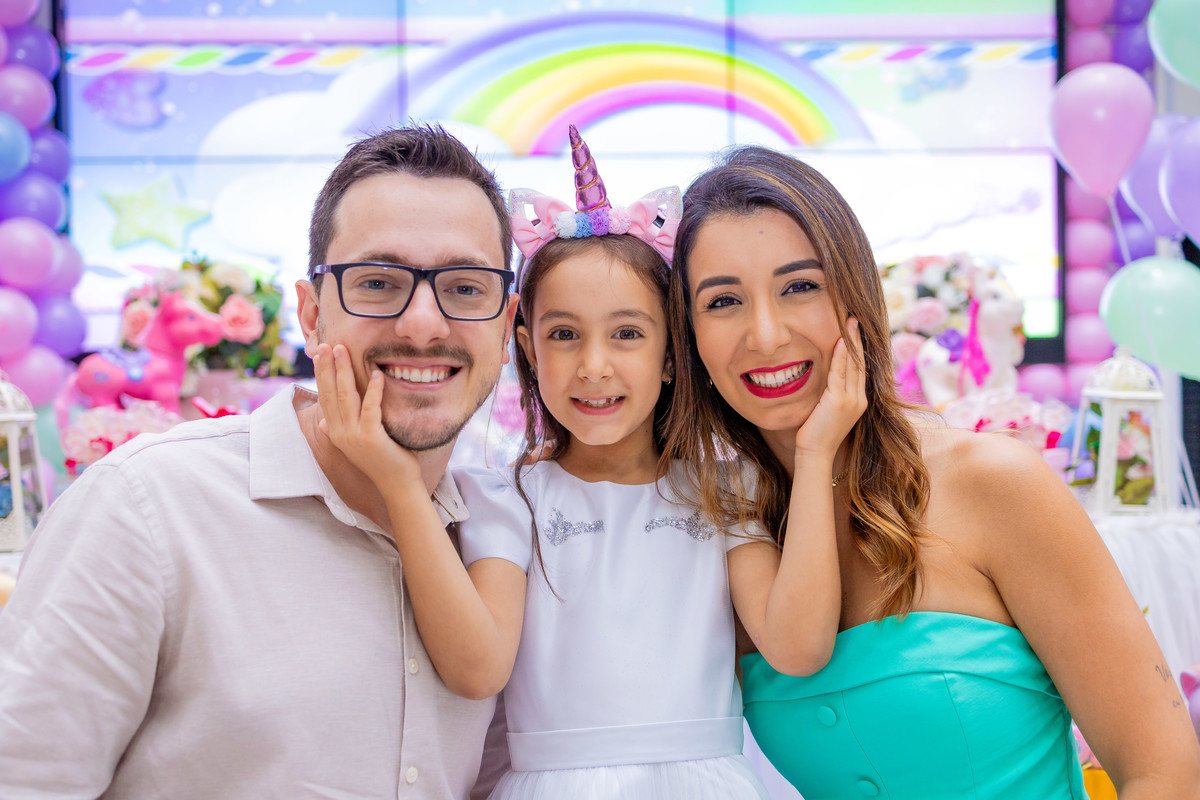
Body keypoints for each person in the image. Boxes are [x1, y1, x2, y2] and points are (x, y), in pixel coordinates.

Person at [316, 125, 844, 799]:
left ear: (671, 351)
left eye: (627, 333)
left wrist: (817, 446)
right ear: (529, 348)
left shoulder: (725, 490)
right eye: (564, 334)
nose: (594, 367)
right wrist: (397, 485)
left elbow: (797, 647)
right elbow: (477, 670)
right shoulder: (508, 499)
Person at [664, 145, 1200, 800]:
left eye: (800, 286)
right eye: (723, 301)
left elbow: (1165, 774)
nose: (767, 334)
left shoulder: (992, 482)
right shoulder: (724, 531)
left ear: (855, 296)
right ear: (688, 336)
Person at [0, 125, 517, 799]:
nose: (423, 324)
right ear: (310, 314)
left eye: (466, 287)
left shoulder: (503, 544)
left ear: (507, 328)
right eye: (378, 282)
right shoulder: (146, 509)